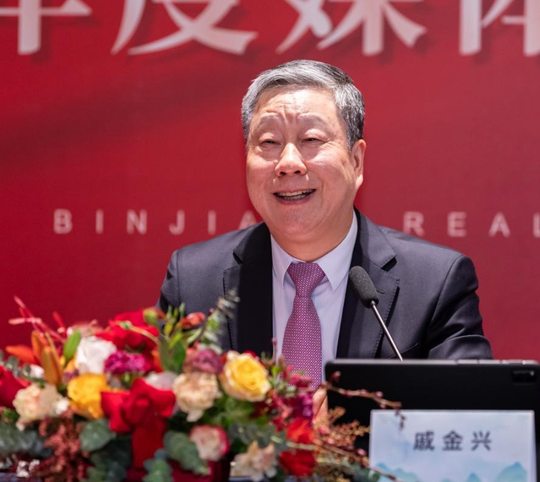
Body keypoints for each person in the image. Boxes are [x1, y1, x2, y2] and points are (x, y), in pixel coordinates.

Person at [158, 60, 492, 386]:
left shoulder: (434, 283)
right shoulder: (194, 282)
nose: (288, 163)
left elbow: (470, 411)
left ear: (356, 161)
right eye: (269, 143)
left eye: (311, 140)